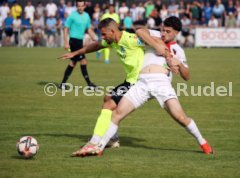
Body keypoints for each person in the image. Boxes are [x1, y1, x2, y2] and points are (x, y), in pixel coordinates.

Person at [72, 16, 213, 156]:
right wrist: (159, 46)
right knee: (117, 113)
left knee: (180, 117)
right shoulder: (155, 35)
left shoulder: (179, 51)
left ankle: (203, 142)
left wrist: (178, 63)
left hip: (161, 83)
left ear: (176, 33)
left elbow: (187, 76)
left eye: (168, 32)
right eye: (163, 29)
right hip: (142, 82)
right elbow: (139, 31)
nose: (164, 33)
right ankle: (99, 147)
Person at [59, 17, 166, 150]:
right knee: (108, 99)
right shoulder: (112, 42)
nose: (102, 37)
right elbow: (96, 45)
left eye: (104, 34)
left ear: (112, 31)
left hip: (138, 82)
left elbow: (153, 42)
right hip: (130, 81)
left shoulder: (131, 40)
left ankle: (95, 141)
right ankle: (112, 139)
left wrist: (165, 53)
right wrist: (75, 53)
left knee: (109, 104)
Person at [59, 0, 96, 90]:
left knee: (73, 62)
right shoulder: (72, 15)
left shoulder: (87, 16)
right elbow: (66, 28)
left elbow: (89, 29)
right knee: (83, 61)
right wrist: (65, 42)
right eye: (78, 6)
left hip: (80, 41)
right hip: (74, 41)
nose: (80, 7)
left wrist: (95, 38)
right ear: (77, 6)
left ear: (84, 6)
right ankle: (89, 84)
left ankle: (62, 84)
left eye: (81, 6)